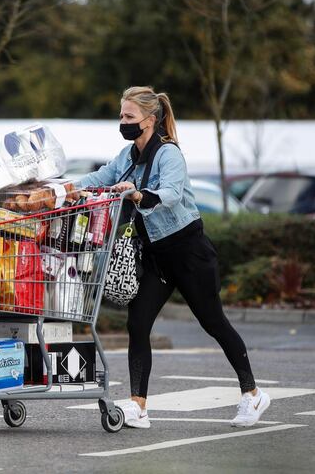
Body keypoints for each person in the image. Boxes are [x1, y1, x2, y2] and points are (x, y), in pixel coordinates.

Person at [78, 86, 270, 429]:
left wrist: (138, 194)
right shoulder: (128, 156)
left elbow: (170, 193)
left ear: (150, 120)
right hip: (157, 257)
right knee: (137, 324)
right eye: (121, 115)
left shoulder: (169, 154)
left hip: (189, 253)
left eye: (129, 117)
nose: (123, 122)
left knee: (214, 324)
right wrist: (63, 189)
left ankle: (252, 393)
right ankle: (138, 405)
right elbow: (100, 177)